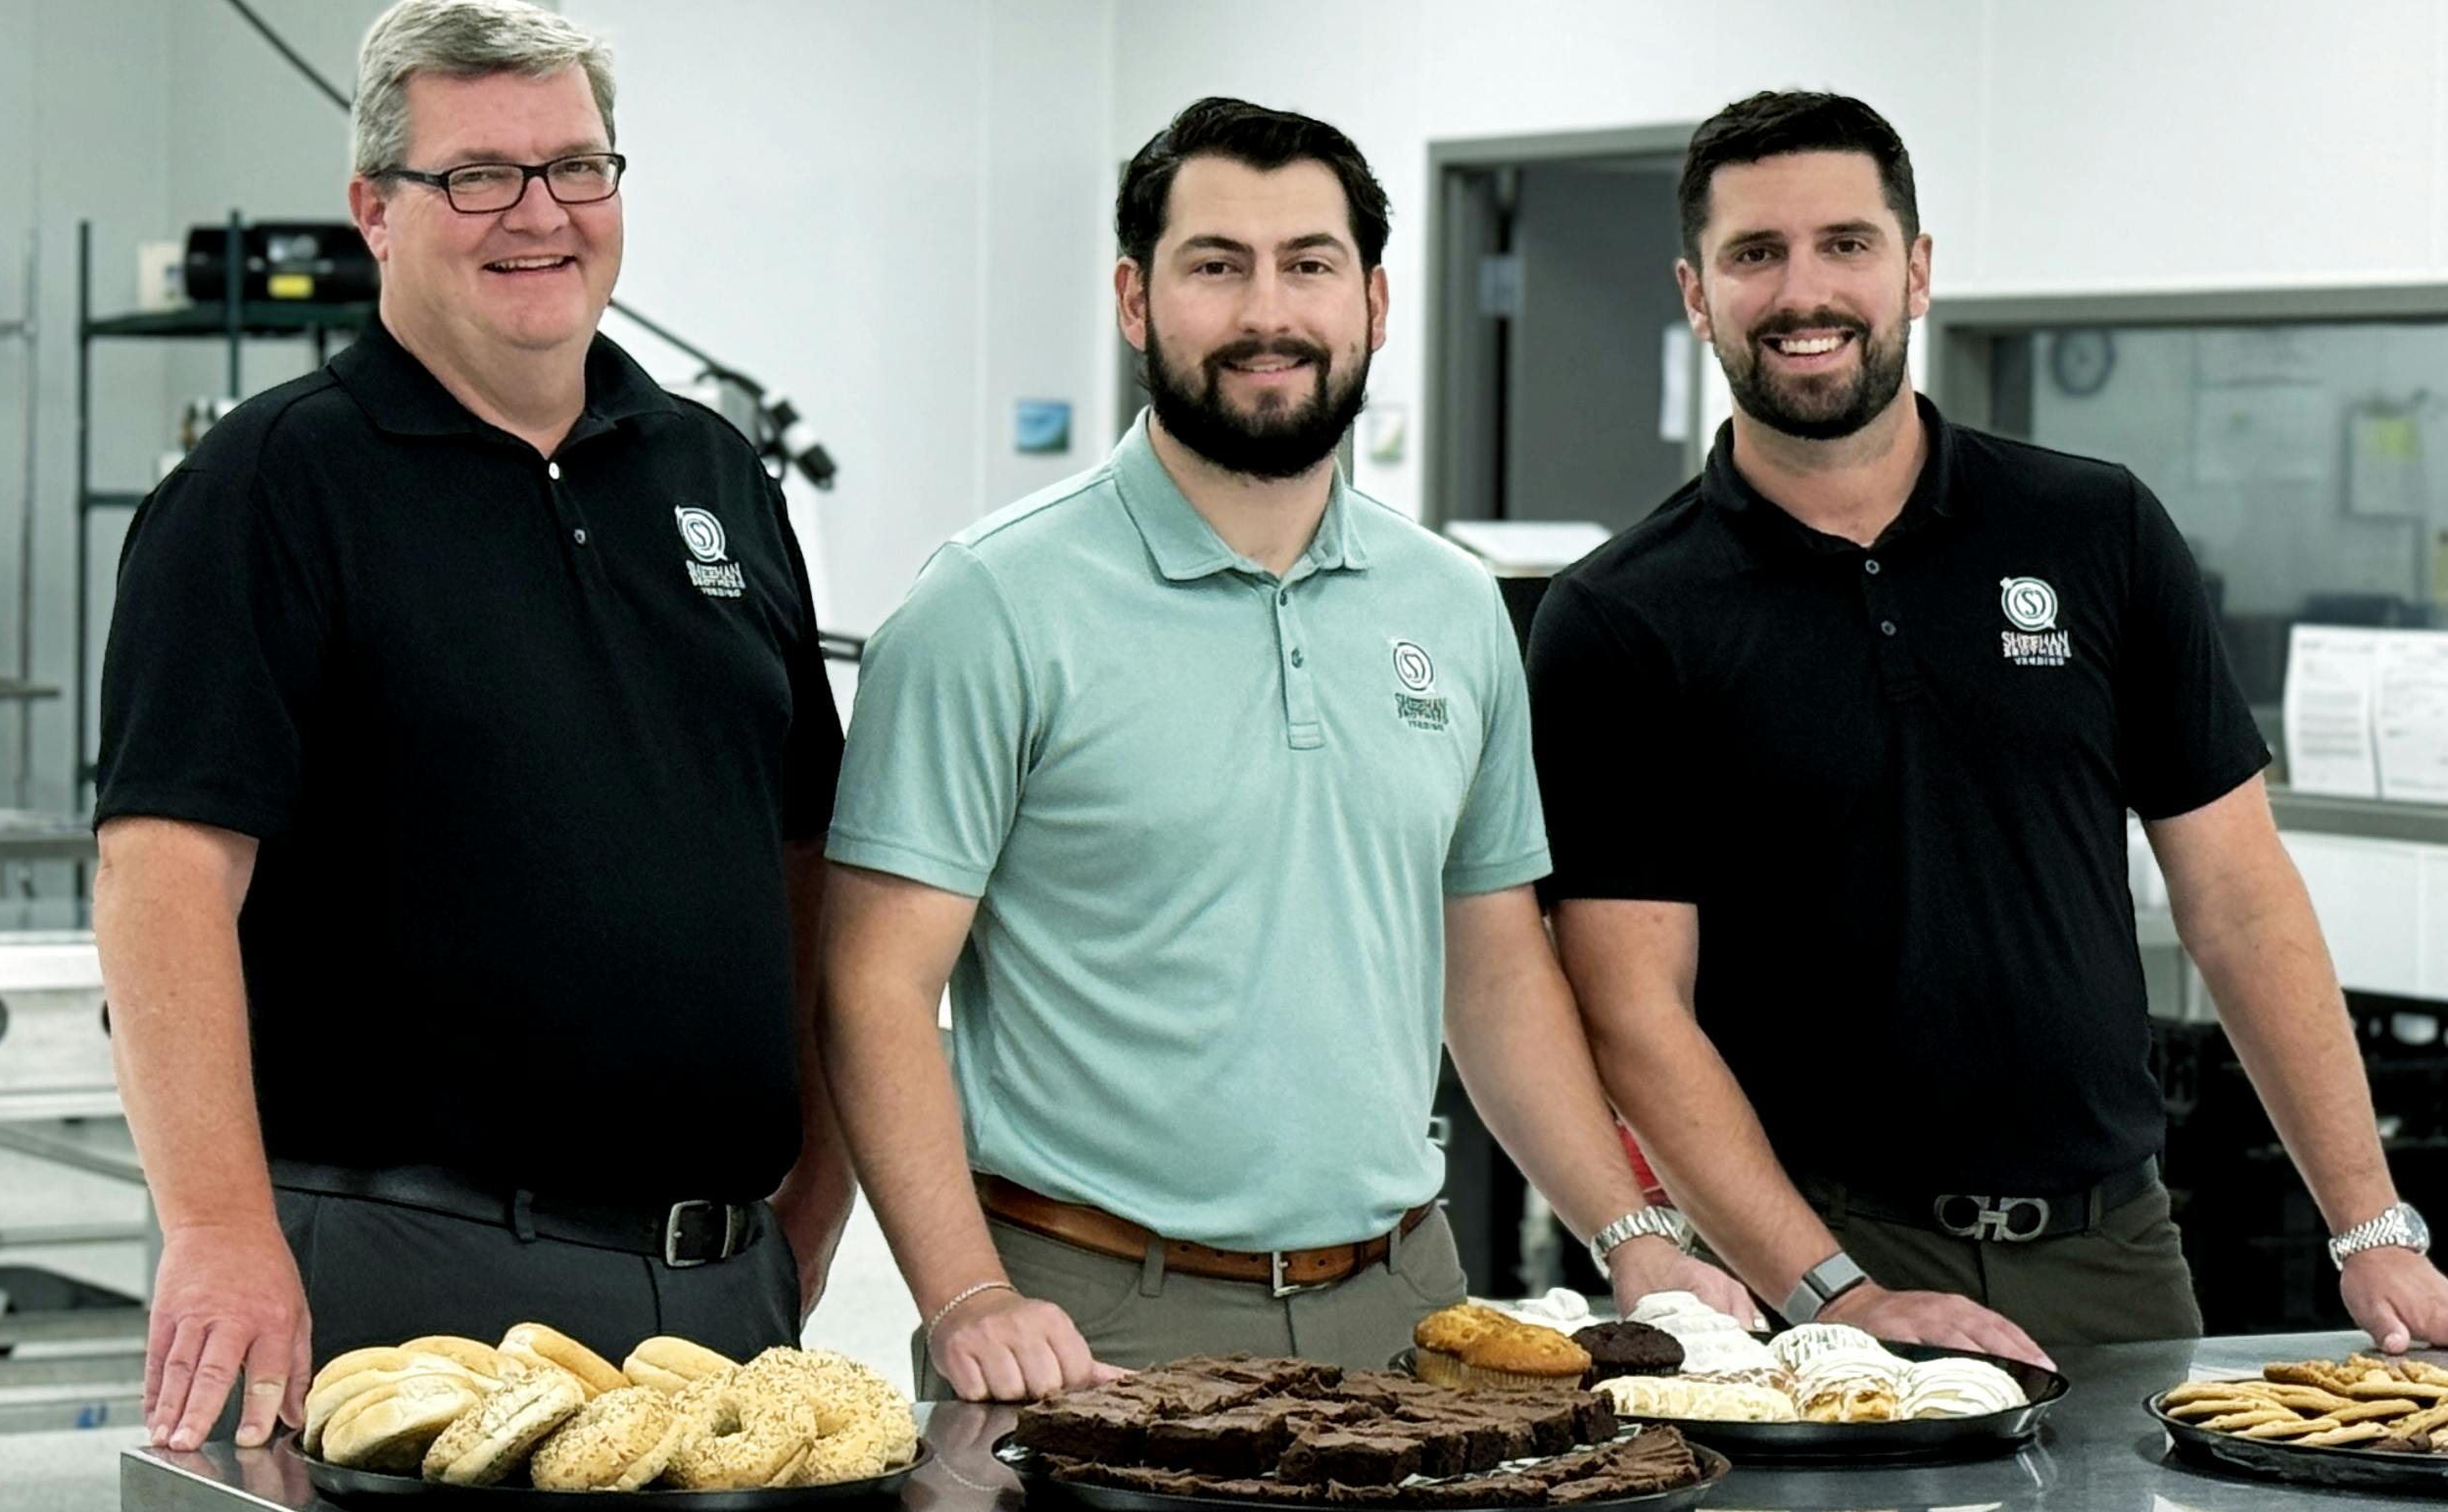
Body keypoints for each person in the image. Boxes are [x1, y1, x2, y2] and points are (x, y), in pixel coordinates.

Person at [819, 97, 1752, 1404]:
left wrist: (1631, 1232)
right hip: (1090, 1322)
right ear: (1137, 300)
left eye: (1308, 264)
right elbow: (874, 987)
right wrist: (967, 1293)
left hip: (1409, 1300)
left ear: (1373, 300)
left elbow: (1491, 974)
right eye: (1217, 266)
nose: (1269, 311)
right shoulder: (993, 604)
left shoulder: (1452, 604)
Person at [1531, 89, 2448, 1358]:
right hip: (1825, 1250)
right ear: (1696, 293)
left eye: (1847, 244)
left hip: (2119, 1250)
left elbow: (2238, 896)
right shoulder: (1621, 619)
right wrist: (1835, 1295)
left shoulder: (2095, 529)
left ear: (1916, 272)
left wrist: (2371, 1229)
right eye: (1757, 254)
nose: (1806, 292)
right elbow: (1635, 1009)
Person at [92, 0, 849, 1455]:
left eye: (577, 167)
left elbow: (802, 847)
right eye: (478, 176)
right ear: (375, 208)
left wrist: (815, 1192)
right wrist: (218, 1225)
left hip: (718, 1290)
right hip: (400, 1280)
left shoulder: (711, 474)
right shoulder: (271, 487)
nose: (539, 215)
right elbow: (161, 878)